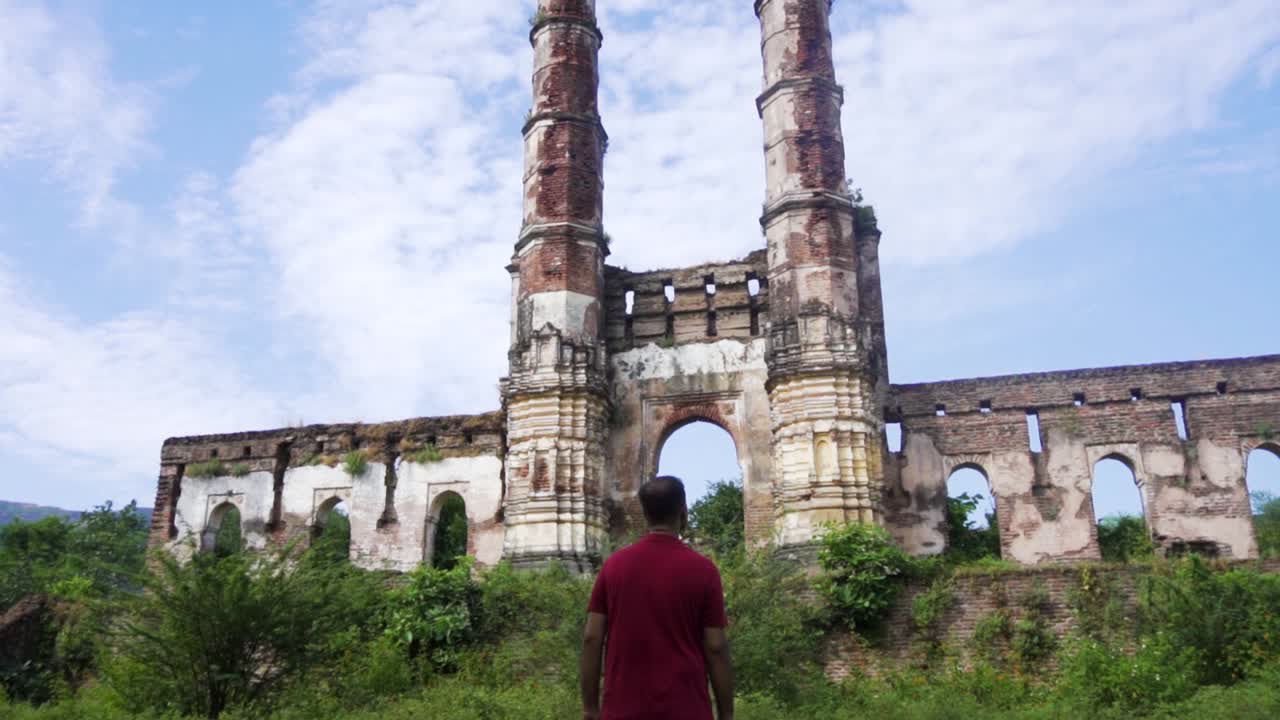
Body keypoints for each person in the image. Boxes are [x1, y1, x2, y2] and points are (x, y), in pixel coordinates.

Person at [580, 476, 734, 720]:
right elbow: (715, 646)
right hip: (687, 709)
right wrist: (726, 713)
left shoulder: (614, 566)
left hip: (623, 710)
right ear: (684, 512)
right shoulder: (704, 570)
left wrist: (590, 709)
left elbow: (591, 637)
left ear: (645, 514)